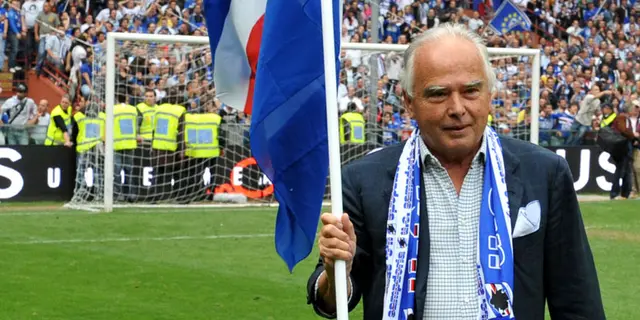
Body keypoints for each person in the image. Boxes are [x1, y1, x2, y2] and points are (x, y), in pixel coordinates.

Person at [307, 24, 604, 320]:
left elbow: (577, 300)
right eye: (438, 94)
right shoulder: (363, 181)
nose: (457, 108)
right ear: (409, 102)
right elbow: (332, 302)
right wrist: (336, 276)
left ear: (489, 94)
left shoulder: (543, 172)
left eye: (471, 91)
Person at [600, 104, 636, 200]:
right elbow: (623, 130)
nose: (635, 111)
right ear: (629, 110)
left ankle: (625, 193)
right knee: (621, 170)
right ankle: (615, 193)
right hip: (622, 146)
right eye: (633, 109)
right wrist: (633, 136)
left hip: (623, 145)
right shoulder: (621, 118)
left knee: (626, 170)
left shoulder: (623, 118)